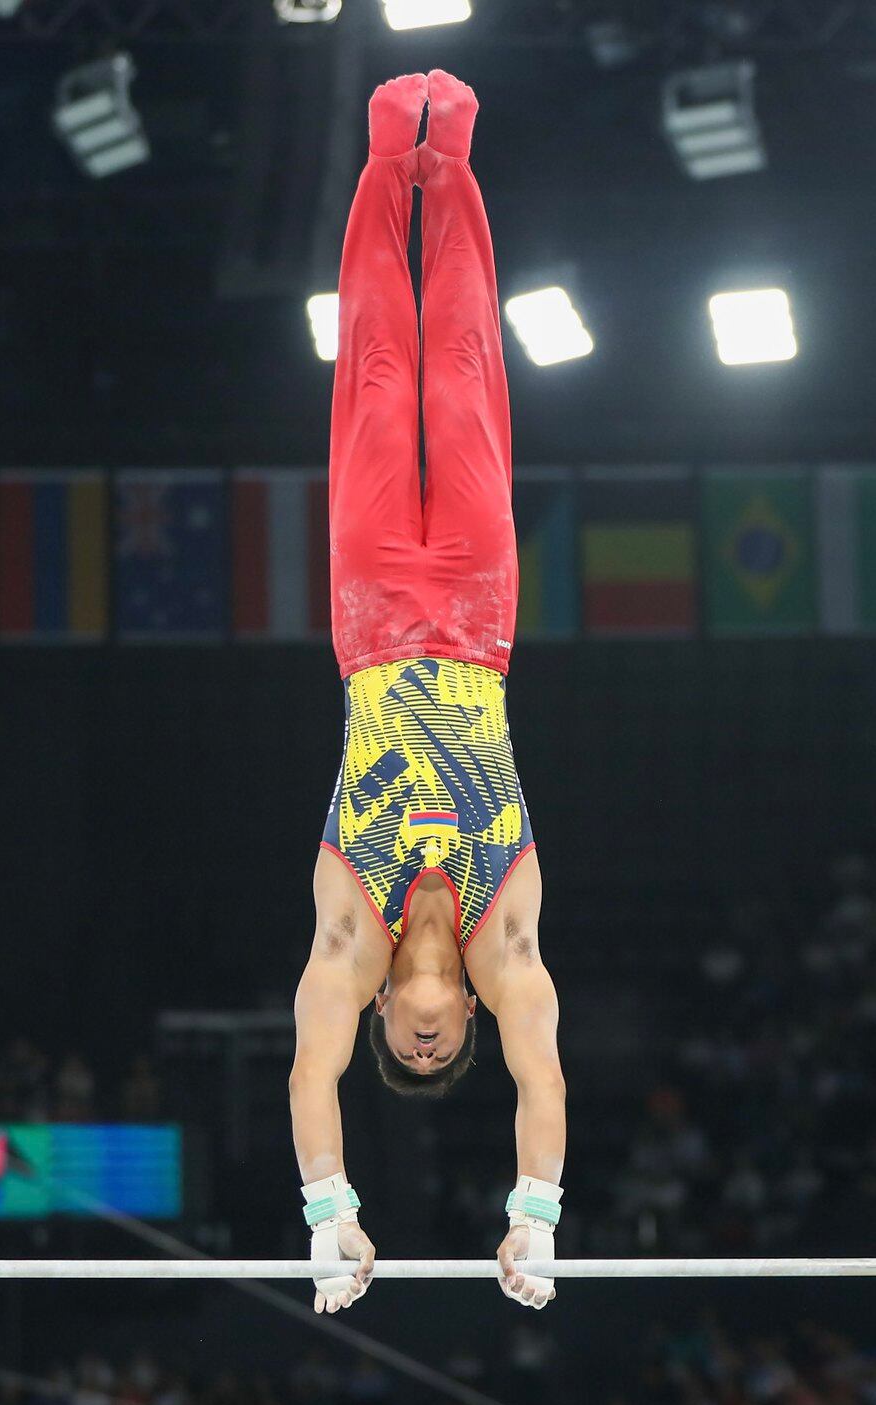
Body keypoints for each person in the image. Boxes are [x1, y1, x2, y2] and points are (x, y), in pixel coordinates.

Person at [287, 71, 566, 1317]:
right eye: (439, 1046)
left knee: (375, 371)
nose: (421, 1039)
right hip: (474, 619)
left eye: (407, 1049)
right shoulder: (509, 949)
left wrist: (329, 1214)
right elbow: (544, 1083)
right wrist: (535, 1222)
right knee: (457, 369)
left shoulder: (348, 938)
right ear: (462, 1021)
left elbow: (308, 1071)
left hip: (369, 618)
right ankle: (443, 156)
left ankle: (375, 159)